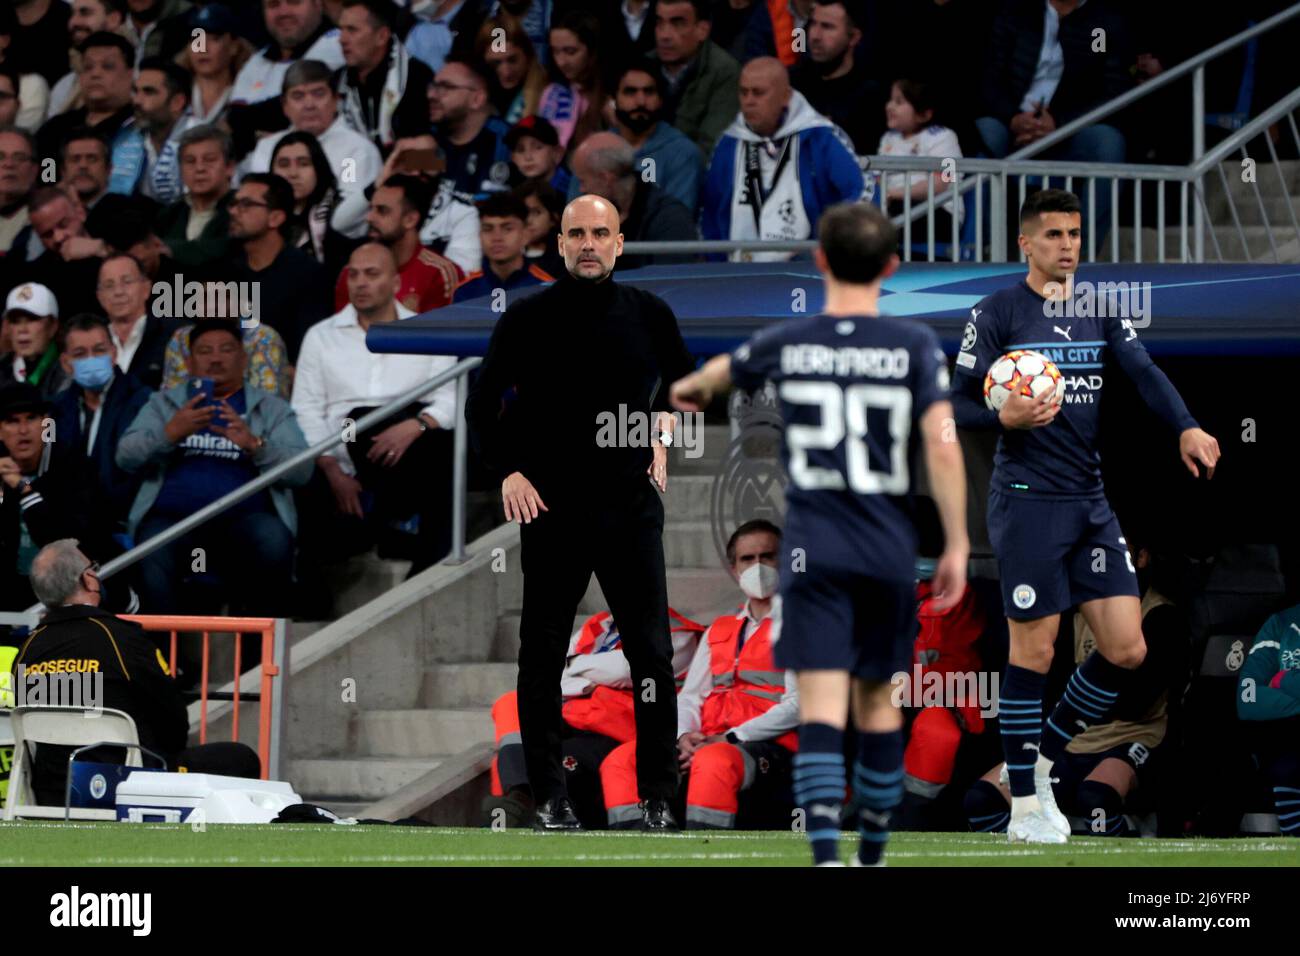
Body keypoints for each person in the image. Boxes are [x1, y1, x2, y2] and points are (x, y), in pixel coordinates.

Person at [669, 201, 970, 865]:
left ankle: (828, 852)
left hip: (815, 548)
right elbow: (944, 447)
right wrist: (954, 541)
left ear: (822, 261)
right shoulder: (914, 345)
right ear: (891, 267)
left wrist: (691, 386)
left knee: (824, 703)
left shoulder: (790, 339)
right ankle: (875, 850)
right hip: (885, 549)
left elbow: (716, 374)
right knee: (878, 703)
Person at [949, 189, 1220, 844]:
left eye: (1074, 234)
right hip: (1026, 500)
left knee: (1127, 647)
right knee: (1034, 651)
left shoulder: (1100, 311)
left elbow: (1145, 371)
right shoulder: (997, 312)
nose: (1067, 246)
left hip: (1091, 503)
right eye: (1053, 236)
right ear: (1025, 244)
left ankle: (1042, 762)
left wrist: (1185, 426)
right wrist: (1000, 414)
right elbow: (953, 400)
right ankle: (1021, 806)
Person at [466, 194, 696, 831]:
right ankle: (547, 795)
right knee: (540, 657)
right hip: (552, 507)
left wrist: (662, 428)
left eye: (601, 233)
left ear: (620, 243)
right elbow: (481, 406)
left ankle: (657, 797)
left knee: (651, 656)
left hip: (628, 506)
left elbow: (687, 387)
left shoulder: (651, 313)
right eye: (577, 234)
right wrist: (507, 471)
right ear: (560, 244)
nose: (589, 243)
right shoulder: (526, 317)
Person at [13, 537, 262, 804]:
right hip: (123, 785)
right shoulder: (121, 639)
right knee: (240, 759)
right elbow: (174, 721)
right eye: (92, 568)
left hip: (48, 791)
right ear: (88, 580)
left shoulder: (27, 650)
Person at [966, 539, 1189, 837]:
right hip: (1069, 741)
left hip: (1129, 739)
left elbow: (1137, 702)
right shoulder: (1080, 613)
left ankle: (1133, 848)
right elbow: (1050, 685)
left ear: (1142, 557)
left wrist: (1076, 704)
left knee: (1096, 803)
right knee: (981, 801)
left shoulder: (1160, 615)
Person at [602, 520, 799, 830]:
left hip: (771, 746)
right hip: (708, 739)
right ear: (734, 569)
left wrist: (730, 737)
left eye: (768, 556)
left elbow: (799, 706)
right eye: (747, 559)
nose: (757, 566)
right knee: (623, 760)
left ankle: (705, 852)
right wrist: (682, 737)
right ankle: (634, 852)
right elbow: (691, 696)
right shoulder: (719, 630)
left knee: (713, 762)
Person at [116, 318, 312, 615]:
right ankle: (167, 657)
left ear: (244, 358)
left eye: (227, 350)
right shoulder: (163, 404)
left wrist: (254, 444)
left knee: (273, 539)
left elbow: (302, 471)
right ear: (189, 361)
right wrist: (170, 433)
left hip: (245, 520)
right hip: (174, 521)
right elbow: (125, 456)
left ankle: (256, 657)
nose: (216, 358)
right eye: (205, 351)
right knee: (152, 549)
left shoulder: (271, 408)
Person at [292, 242, 458, 576]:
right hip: (340, 460)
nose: (360, 283)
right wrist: (331, 469)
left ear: (396, 283)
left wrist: (416, 425)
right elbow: (305, 409)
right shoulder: (321, 337)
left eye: (371, 274)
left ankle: (427, 557)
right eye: (353, 275)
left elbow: (451, 399)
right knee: (357, 421)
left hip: (407, 458)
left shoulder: (429, 331)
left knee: (444, 443)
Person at [487, 606, 706, 828]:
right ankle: (520, 794)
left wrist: (574, 664)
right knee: (512, 703)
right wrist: (593, 684)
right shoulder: (598, 625)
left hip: (622, 731)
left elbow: (627, 668)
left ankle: (518, 809)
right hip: (575, 716)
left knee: (557, 764)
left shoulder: (679, 633)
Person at [976, 0, 1131, 235]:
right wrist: (1014, 118)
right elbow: (989, 78)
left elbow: (1109, 92)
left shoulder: (1101, 25)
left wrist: (1059, 123)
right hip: (1012, 127)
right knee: (986, 132)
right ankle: (980, 246)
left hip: (1068, 132)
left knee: (1107, 143)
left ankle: (1081, 254)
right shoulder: (1016, 12)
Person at [701, 57, 864, 262]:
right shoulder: (729, 143)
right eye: (744, 92)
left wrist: (830, 244)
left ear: (785, 96)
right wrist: (716, 267)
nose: (749, 101)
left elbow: (861, 190)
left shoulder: (819, 136)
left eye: (758, 93)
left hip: (807, 268)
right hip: (737, 272)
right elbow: (711, 212)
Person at [0, 386, 135, 613]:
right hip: (18, 587)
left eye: (32, 419)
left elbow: (64, 542)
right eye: (12, 422)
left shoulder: (75, 467)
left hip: (77, 582)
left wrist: (23, 488)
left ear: (46, 424)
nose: (23, 430)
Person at [241, 59, 382, 240]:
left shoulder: (353, 152)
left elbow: (346, 211)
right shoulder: (268, 148)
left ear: (336, 100)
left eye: (318, 94)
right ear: (284, 105)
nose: (309, 105)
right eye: (298, 96)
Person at [51, 313, 152, 531]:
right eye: (80, 354)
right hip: (69, 521)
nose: (91, 360)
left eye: (99, 351)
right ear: (66, 363)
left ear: (113, 354)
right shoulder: (56, 409)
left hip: (122, 521)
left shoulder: (142, 401)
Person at [221, 172, 332, 362]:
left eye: (246, 204)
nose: (233, 211)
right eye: (234, 203)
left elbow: (309, 355)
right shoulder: (226, 270)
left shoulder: (307, 274)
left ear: (276, 218)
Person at [331, 174, 461, 313]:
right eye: (371, 209)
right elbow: (343, 331)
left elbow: (440, 333)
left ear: (410, 220)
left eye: (382, 211)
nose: (369, 218)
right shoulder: (353, 272)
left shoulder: (439, 275)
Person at [570, 132, 696, 270]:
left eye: (583, 181)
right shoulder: (589, 215)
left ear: (606, 179)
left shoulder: (669, 220)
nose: (581, 189)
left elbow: (671, 281)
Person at [336, 0, 434, 154]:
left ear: (381, 36)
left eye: (352, 30)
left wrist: (386, 174)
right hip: (354, 172)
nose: (341, 39)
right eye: (341, 30)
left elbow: (430, 156)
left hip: (410, 171)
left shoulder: (416, 77)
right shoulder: (337, 82)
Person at [1237, 599, 1300, 838]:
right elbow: (1248, 695)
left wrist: (1282, 680)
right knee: (1285, 759)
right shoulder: (1280, 623)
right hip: (1288, 738)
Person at [35, 32, 136, 177]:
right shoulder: (55, 129)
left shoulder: (139, 128)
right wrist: (52, 186)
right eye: (88, 67)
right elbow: (46, 173)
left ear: (130, 75)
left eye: (107, 67)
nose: (95, 74)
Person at [789, 0, 883, 155]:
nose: (815, 35)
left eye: (827, 27)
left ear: (853, 37)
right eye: (813, 24)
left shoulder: (870, 95)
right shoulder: (792, 83)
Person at [605, 61, 700, 214]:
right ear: (613, 100)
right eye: (630, 92)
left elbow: (677, 219)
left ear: (661, 99)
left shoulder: (682, 152)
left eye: (649, 92)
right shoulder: (595, 150)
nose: (641, 101)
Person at [649, 0, 739, 160]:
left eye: (677, 24)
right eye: (660, 23)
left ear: (702, 30)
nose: (664, 35)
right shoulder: (644, 66)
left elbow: (710, 149)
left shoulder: (724, 73)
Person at [378, 135, 481, 274]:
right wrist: (379, 186)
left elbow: (460, 277)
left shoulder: (462, 212)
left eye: (424, 160)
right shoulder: (379, 209)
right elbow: (341, 224)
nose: (415, 169)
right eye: (405, 161)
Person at [876, 78, 963, 237]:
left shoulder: (944, 137)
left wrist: (892, 194)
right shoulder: (888, 138)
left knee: (889, 214)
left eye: (899, 102)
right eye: (890, 100)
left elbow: (942, 182)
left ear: (924, 114)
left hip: (937, 212)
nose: (890, 106)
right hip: (891, 207)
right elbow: (879, 179)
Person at [270, 130, 354, 278]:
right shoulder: (260, 214)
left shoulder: (339, 210)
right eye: (284, 165)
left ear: (319, 169)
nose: (293, 173)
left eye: (303, 164)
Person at [426, 60, 512, 201]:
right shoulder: (429, 139)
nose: (431, 95)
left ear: (477, 99)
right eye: (433, 86)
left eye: (445, 87)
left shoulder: (507, 142)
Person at [19, 185, 108, 319]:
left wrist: (102, 249)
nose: (58, 237)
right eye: (47, 234)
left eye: (63, 225)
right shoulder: (38, 277)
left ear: (80, 213)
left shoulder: (113, 234)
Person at [95, 252, 181, 390]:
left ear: (146, 288)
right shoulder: (91, 340)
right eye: (109, 285)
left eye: (127, 282)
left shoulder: (176, 334)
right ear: (99, 296)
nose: (118, 292)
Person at [153, 124, 236, 267]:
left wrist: (171, 249)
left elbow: (230, 250)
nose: (199, 168)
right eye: (190, 161)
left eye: (209, 160)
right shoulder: (168, 215)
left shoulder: (242, 209)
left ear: (229, 167)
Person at [454, 191, 552, 303]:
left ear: (526, 234)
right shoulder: (464, 291)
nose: (497, 238)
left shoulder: (547, 290)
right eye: (488, 229)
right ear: (479, 235)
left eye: (507, 229)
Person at [537, 11, 605, 152]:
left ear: (591, 50)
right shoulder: (551, 92)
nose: (561, 62)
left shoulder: (612, 97)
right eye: (556, 52)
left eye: (570, 51)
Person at [128, 56, 193, 205]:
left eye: (149, 92)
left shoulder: (202, 139)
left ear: (177, 102)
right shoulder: (129, 139)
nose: (137, 101)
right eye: (135, 91)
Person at [178, 3, 250, 127]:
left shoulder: (247, 95)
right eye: (196, 39)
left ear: (234, 46)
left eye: (214, 39)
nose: (203, 48)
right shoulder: (175, 94)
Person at [474, 12, 546, 125]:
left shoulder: (548, 92)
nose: (506, 71)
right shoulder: (475, 92)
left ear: (528, 55)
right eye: (496, 63)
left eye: (512, 60)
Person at [0, 282, 69, 398]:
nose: (22, 329)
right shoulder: (3, 371)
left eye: (32, 319)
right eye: (15, 321)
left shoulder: (69, 372)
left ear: (53, 326)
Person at [514, 177, 565, 280]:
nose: (528, 220)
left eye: (536, 212)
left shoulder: (564, 260)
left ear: (553, 218)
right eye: (523, 213)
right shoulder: (508, 256)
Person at [0, 126, 39, 257]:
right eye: (0, 157)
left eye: (19, 158)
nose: (9, 164)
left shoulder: (46, 219)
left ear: (34, 171)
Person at [505, 115, 569, 194]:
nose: (528, 157)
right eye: (520, 150)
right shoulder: (514, 190)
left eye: (537, 147)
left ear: (557, 153)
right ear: (513, 158)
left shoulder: (571, 191)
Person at [58, 129, 112, 213]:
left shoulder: (132, 213)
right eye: (75, 159)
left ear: (108, 169)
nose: (83, 165)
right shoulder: (48, 219)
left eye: (92, 159)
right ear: (63, 171)